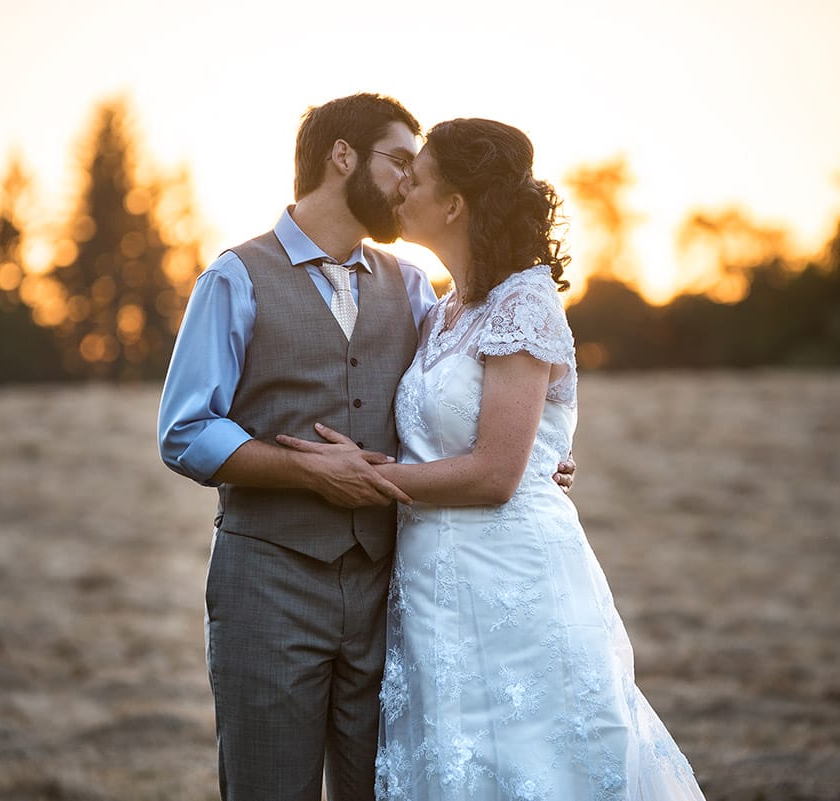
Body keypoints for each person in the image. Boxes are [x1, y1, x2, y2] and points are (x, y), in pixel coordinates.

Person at [157, 95, 575, 801]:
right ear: (342, 157)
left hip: (391, 595)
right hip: (269, 584)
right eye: (399, 161)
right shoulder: (235, 276)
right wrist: (304, 471)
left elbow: (463, 395)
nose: (410, 181)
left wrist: (537, 459)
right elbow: (186, 430)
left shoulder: (415, 289)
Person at [278, 119, 707, 799]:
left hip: (511, 579)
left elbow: (497, 473)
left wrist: (366, 477)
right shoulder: (444, 309)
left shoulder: (524, 302)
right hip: (429, 589)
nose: (399, 190)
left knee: (530, 767)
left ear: (452, 205)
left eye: (413, 180)